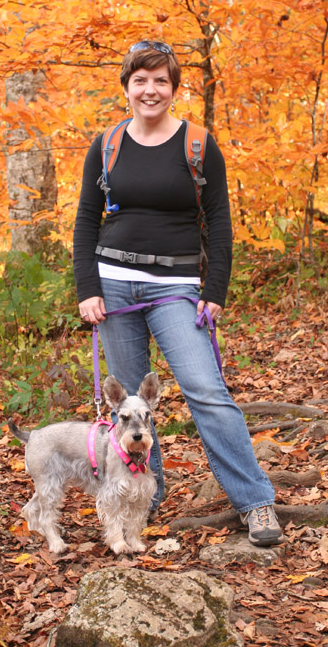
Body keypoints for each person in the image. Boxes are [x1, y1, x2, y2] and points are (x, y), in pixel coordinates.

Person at [73, 40, 283, 547]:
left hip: (177, 287)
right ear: (126, 87)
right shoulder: (106, 145)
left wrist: (215, 290)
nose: (150, 90)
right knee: (129, 405)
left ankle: (257, 503)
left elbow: (219, 220)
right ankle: (148, 496)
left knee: (205, 390)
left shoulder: (198, 144)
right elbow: (85, 219)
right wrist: (87, 287)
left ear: (173, 88)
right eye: (140, 80)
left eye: (160, 81)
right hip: (115, 285)